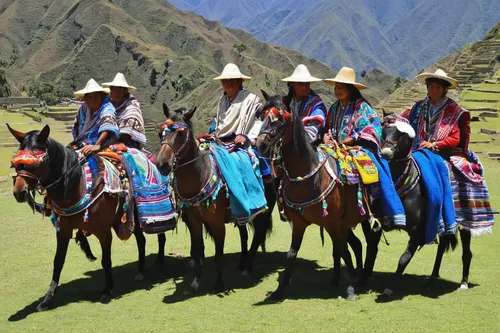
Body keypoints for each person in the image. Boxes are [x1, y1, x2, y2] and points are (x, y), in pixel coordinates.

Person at [403, 69, 495, 234]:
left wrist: (435, 145)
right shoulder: (418, 107)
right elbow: (406, 124)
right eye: (431, 86)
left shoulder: (453, 109)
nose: (434, 90)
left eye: (438, 87)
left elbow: (455, 138)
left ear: (445, 89)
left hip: (445, 152)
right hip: (419, 150)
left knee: (460, 171)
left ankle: (460, 212)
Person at [323, 67, 405, 229]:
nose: (337, 90)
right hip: (336, 148)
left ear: (350, 89)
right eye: (336, 87)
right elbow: (329, 128)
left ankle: (373, 208)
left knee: (370, 171)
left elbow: (373, 128)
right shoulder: (334, 108)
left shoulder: (362, 107)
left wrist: (352, 139)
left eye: (341, 87)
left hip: (359, 148)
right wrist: (328, 137)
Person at [71, 79, 119, 156]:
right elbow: (78, 128)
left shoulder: (107, 108)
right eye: (89, 97)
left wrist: (97, 144)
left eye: (96, 97)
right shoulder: (84, 108)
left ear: (101, 96)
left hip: (102, 143)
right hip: (82, 143)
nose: (92, 100)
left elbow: (108, 125)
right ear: (86, 98)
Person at [281, 64, 327, 142]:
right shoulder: (286, 101)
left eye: (307, 84)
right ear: (293, 84)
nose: (305, 87)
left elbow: (318, 119)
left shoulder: (316, 103)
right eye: (301, 84)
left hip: (309, 145)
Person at [102, 73, 147, 149]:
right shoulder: (108, 105)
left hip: (127, 144)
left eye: (118, 89)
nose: (113, 91)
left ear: (125, 91)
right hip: (107, 142)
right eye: (112, 88)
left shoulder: (132, 108)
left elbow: (125, 135)